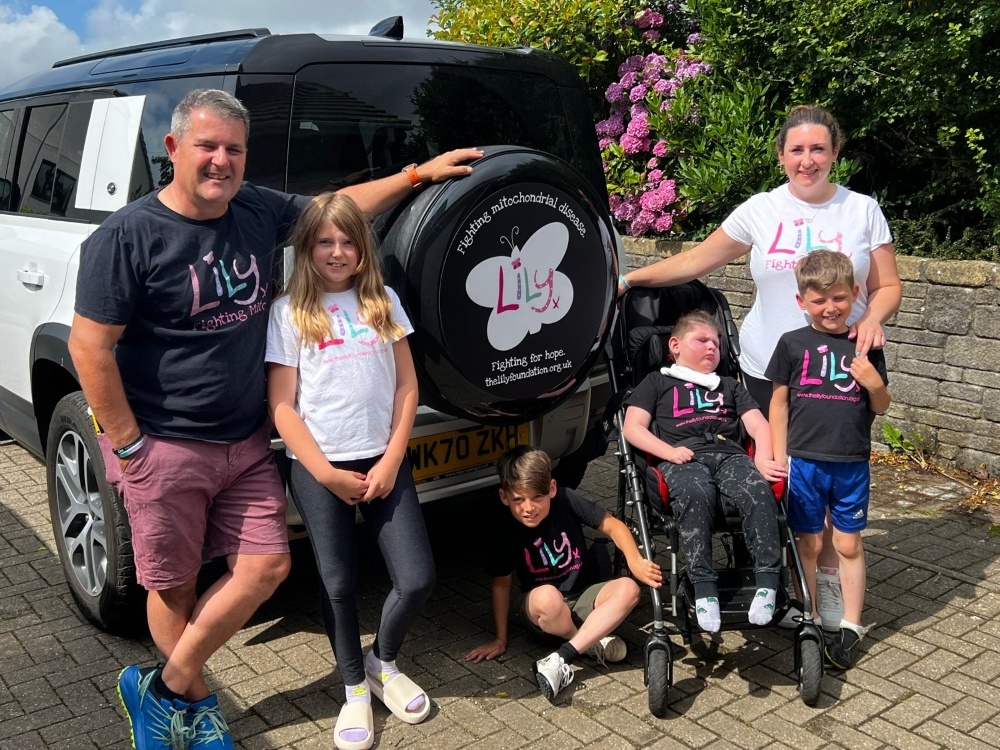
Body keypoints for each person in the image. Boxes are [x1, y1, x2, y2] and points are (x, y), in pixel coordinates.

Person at [67, 87, 481, 750]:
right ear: (173, 149)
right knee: (173, 588)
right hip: (164, 444)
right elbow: (89, 347)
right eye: (207, 146)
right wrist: (130, 444)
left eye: (233, 149)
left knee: (265, 569)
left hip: (246, 440)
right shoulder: (128, 236)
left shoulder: (254, 209)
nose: (221, 160)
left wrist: (414, 176)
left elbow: (332, 213)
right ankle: (196, 707)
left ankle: (161, 689)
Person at [617, 104, 901, 631]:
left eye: (819, 148)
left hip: (836, 370)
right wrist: (632, 280)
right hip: (764, 368)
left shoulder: (861, 210)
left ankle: (828, 603)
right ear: (781, 156)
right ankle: (770, 582)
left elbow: (888, 286)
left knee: (823, 472)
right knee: (773, 477)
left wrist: (875, 319)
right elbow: (696, 260)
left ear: (835, 153)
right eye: (797, 149)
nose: (808, 160)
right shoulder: (760, 210)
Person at [266, 192, 431, 749]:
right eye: (325, 242)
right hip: (319, 468)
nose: (337, 252)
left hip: (383, 460)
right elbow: (284, 407)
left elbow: (408, 387)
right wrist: (327, 474)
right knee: (338, 583)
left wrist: (392, 456)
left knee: (416, 578)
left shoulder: (382, 300)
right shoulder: (288, 311)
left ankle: (381, 661)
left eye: (348, 242)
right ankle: (354, 688)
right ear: (306, 247)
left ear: (364, 250)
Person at [622, 311, 785, 632]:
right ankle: (704, 586)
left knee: (757, 489)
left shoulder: (728, 385)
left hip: (729, 453)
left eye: (717, 342)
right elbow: (632, 427)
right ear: (675, 345)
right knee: (695, 492)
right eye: (702, 340)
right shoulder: (657, 381)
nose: (713, 347)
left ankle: (767, 582)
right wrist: (668, 451)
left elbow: (758, 425)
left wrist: (763, 457)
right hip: (681, 456)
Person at [766, 249, 891, 669]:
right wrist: (778, 453)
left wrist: (874, 384)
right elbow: (779, 403)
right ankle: (812, 614)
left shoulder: (866, 343)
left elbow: (882, 405)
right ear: (802, 301)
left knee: (848, 542)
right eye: (819, 300)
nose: (830, 308)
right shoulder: (791, 344)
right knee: (808, 541)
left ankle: (852, 625)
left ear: (855, 294)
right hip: (804, 461)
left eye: (839, 298)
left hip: (851, 461)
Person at [464, 446, 662, 702]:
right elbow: (501, 584)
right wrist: (500, 640)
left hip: (582, 597)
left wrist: (635, 560)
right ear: (504, 497)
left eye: (537, 497)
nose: (528, 508)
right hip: (543, 613)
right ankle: (589, 642)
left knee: (629, 588)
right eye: (518, 499)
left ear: (552, 489)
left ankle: (563, 656)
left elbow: (613, 525)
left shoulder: (566, 499)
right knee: (548, 596)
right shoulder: (504, 528)